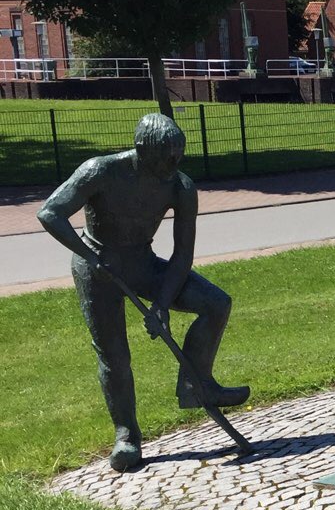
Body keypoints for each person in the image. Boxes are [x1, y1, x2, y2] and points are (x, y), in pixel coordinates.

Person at [38, 113, 248, 473]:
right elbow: (51, 212)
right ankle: (127, 436)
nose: (173, 164)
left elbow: (182, 255)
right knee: (114, 356)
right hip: (98, 271)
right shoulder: (99, 170)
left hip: (143, 264)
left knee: (215, 303)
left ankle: (197, 386)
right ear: (141, 150)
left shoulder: (180, 186)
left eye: (178, 155)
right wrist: (91, 257)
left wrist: (163, 304)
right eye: (166, 157)